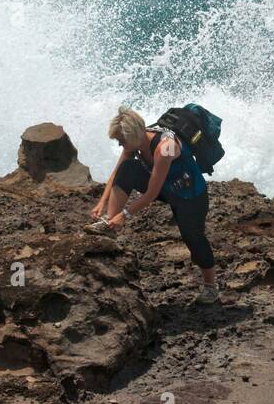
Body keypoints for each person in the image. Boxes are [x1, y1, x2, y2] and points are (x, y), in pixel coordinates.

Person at [88, 106, 218, 303]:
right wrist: (102, 203)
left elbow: (151, 194)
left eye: (121, 140)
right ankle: (109, 226)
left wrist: (124, 215)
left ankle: (211, 288)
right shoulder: (134, 143)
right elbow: (116, 174)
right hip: (168, 188)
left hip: (191, 197)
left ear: (132, 135)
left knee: (193, 237)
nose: (120, 144)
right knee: (127, 169)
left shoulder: (165, 147)